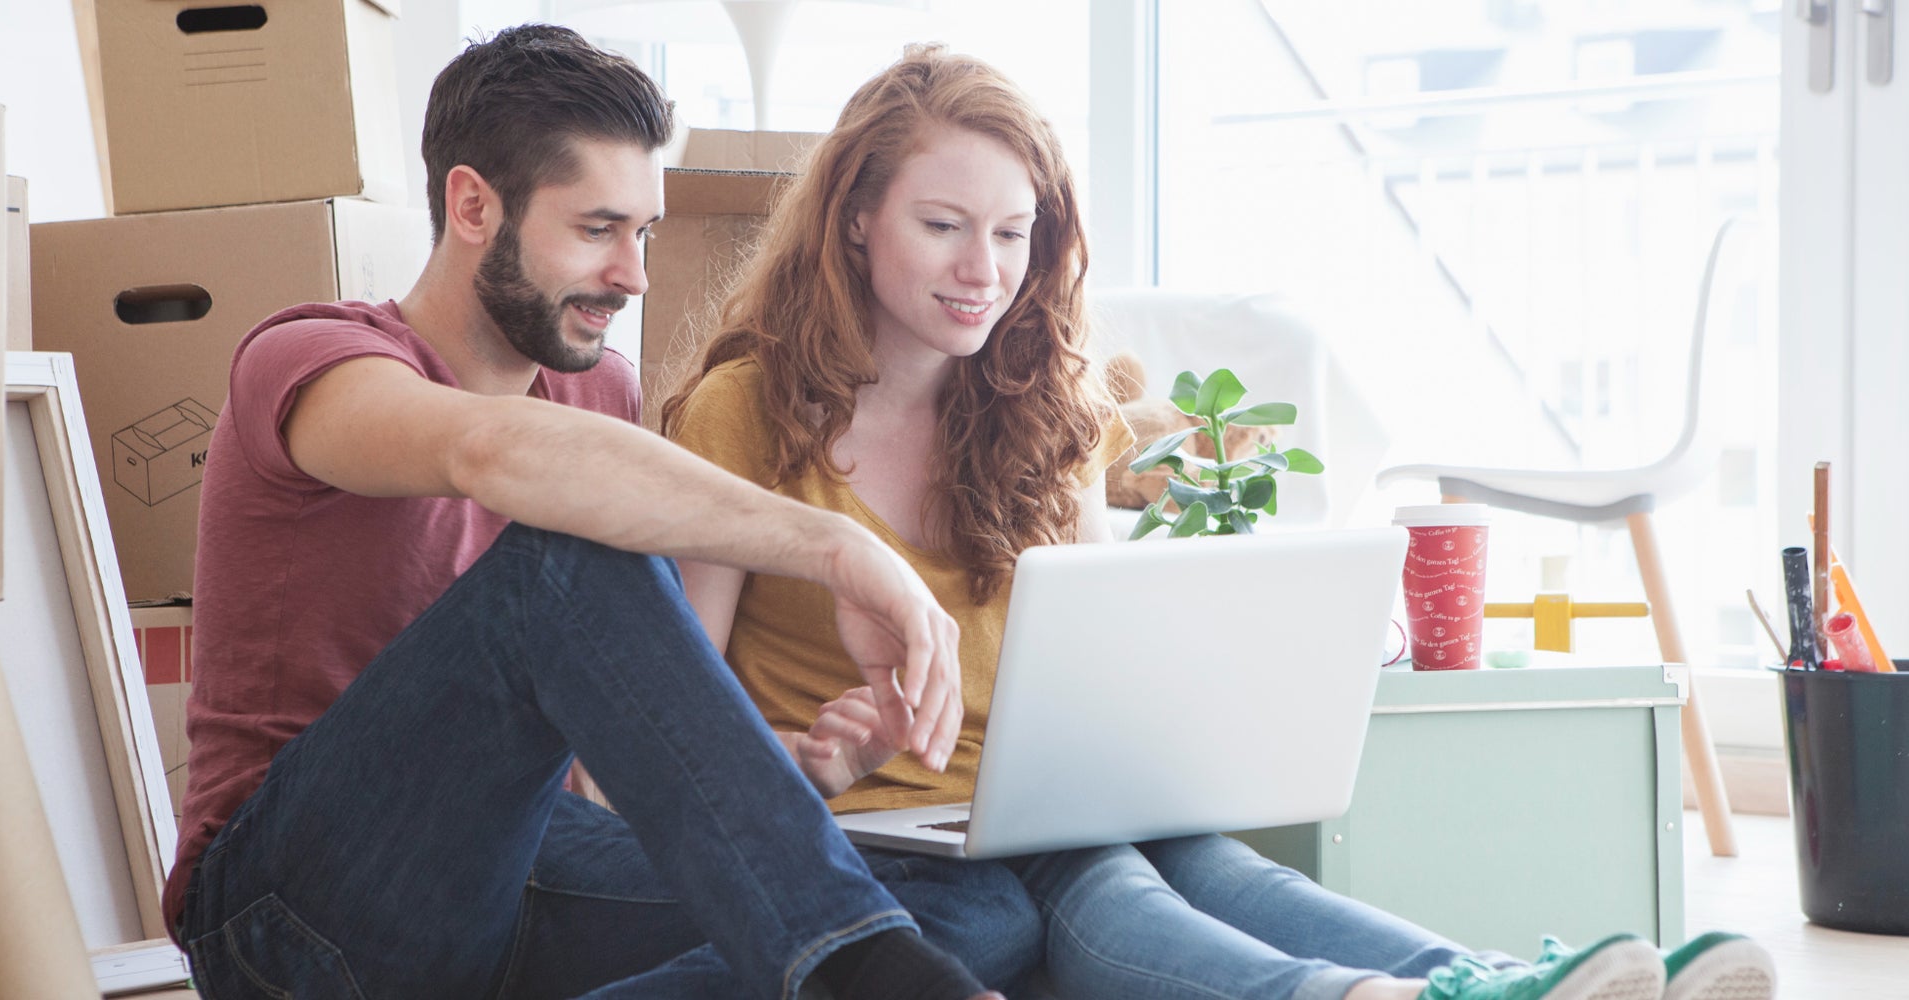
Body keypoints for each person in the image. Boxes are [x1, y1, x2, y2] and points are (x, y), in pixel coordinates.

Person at [663, 44, 1779, 1000]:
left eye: (1012, 233)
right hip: (864, 834)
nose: (982, 270)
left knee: (1214, 870)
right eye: (943, 225)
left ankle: (1485, 980)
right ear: (856, 219)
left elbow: (1096, 659)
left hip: (1037, 812)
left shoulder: (1043, 411)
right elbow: (664, 714)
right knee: (1109, 884)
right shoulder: (745, 412)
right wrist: (815, 762)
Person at [166, 24, 1041, 1000]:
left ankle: (864, 958)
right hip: (287, 912)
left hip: (513, 871)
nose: (635, 274)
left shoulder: (597, 389)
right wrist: (837, 547)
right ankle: (872, 978)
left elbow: (598, 761)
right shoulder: (311, 361)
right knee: (565, 559)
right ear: (472, 206)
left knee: (961, 907)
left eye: (644, 233)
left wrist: (789, 779)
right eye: (597, 230)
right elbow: (490, 451)